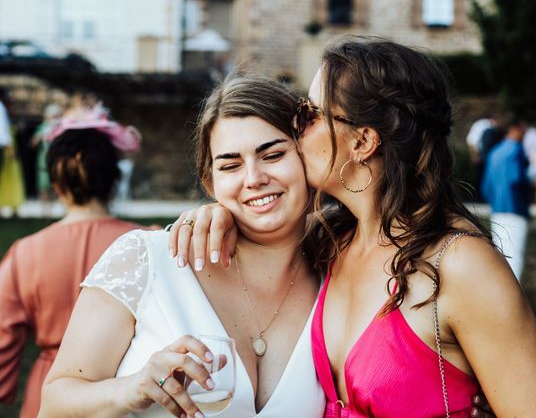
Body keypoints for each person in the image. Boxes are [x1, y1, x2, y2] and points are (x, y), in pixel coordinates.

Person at [170, 38, 536, 417]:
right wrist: (217, 215)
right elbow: (264, 234)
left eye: (309, 114)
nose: (295, 126)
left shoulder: (462, 266)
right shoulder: (332, 240)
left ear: (362, 141)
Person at [40, 73, 326, 418]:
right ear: (211, 181)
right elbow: (53, 405)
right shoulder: (146, 260)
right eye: (230, 165)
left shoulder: (335, 275)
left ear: (307, 158)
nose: (254, 179)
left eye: (273, 154)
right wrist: (131, 389)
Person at [0, 107, 141, 418]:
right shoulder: (148, 243)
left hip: (49, 397)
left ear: (55, 182)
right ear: (113, 178)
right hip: (122, 393)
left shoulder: (24, 252)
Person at [481, 116, 531, 281]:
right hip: (515, 207)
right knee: (515, 258)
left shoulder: (495, 152)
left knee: (501, 257)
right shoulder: (517, 150)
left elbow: (486, 185)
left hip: (497, 209)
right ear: (516, 128)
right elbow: (516, 179)